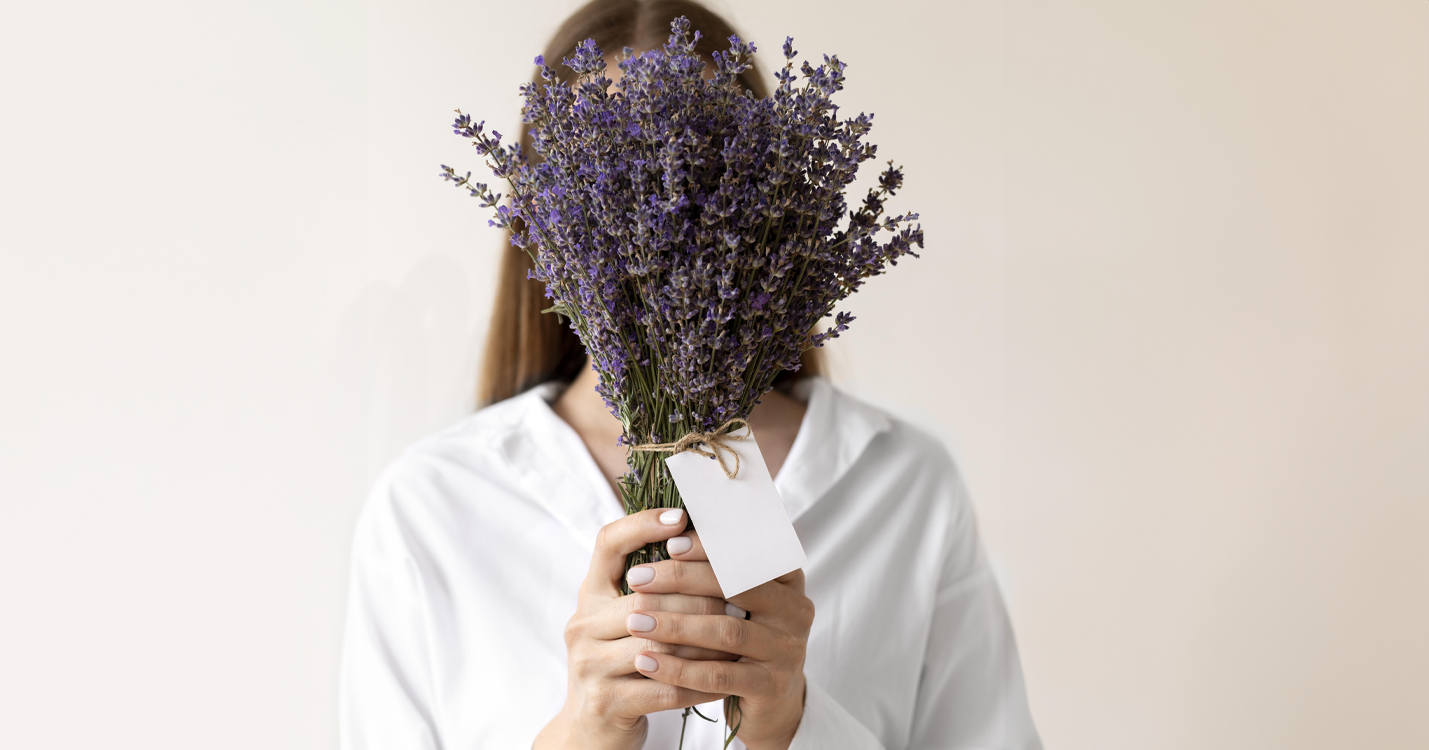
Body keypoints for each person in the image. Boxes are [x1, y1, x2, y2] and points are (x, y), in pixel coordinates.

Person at [338, 1, 1042, 748]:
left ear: (771, 207)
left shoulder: (904, 487)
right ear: (545, 220)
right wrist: (583, 733)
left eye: (699, 183)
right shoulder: (432, 508)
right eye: (608, 188)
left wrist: (794, 727)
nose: (658, 223)